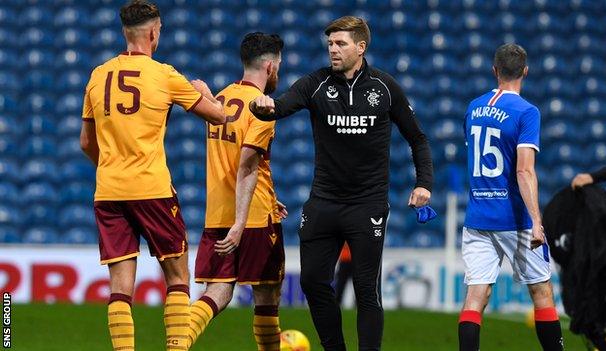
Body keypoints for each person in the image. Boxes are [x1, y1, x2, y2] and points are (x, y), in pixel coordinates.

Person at [250, 16, 433, 351]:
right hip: (323, 202)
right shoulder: (316, 83)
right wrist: (262, 105)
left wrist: (424, 183)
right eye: (330, 44)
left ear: (360, 47)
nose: (332, 50)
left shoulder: (384, 87)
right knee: (312, 282)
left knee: (366, 289)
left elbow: (417, 138)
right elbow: (280, 107)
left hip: (368, 205)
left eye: (340, 44)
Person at [79, 1, 225, 350]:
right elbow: (218, 116)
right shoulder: (164, 74)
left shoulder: (98, 75)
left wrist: (112, 166)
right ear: (154, 32)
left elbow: (86, 142)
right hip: (152, 188)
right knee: (177, 277)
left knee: (119, 286)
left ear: (125, 33)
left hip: (109, 191)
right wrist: (203, 90)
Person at [459, 43, 563, 351]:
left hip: (478, 217)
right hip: (514, 218)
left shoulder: (473, 107)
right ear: (525, 72)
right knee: (542, 293)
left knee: (475, 297)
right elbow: (524, 172)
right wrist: (536, 220)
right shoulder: (527, 112)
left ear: (494, 70)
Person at [187, 32, 287, 351]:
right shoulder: (263, 108)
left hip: (218, 212)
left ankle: (178, 340)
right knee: (267, 296)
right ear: (270, 66)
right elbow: (246, 165)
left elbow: (231, 163)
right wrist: (242, 222)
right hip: (253, 217)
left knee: (217, 292)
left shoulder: (221, 97)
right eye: (280, 65)